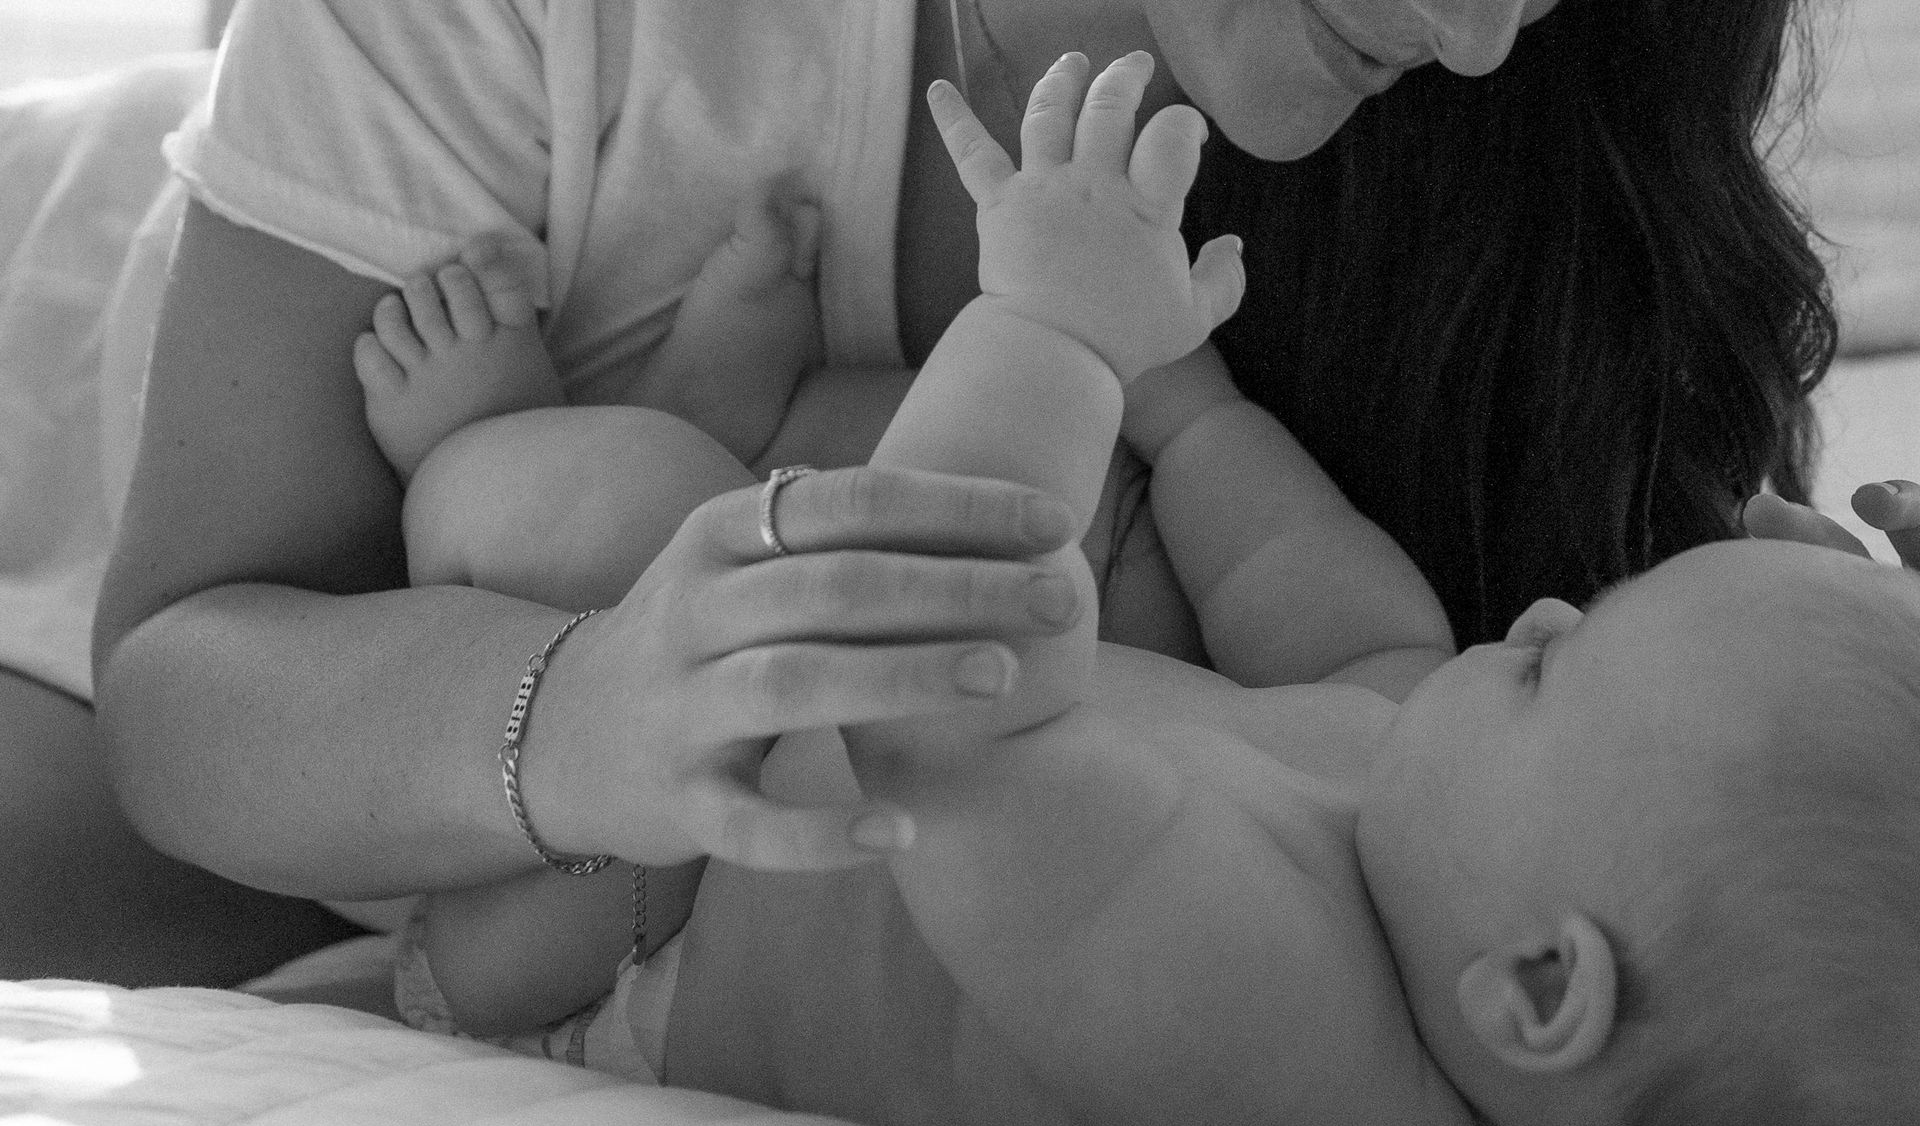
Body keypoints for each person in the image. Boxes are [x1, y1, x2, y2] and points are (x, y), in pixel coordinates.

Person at [364, 52, 1920, 1126]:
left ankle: (473, 452)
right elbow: (1314, 590)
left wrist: (1050, 322)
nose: (1533, 608)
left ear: (1540, 989)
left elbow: (941, 707)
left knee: (610, 508)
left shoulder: (1280, 1040)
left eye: (1545, 670)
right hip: (813, 734)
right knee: (1110, 508)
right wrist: (1185, 400)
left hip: (647, 925)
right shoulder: (1433, 841)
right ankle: (744, 416)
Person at [85, 1, 1830, 995]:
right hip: (90, 354)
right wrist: (596, 722)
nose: (1476, 36)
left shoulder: (1561, 120)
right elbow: (180, 682)